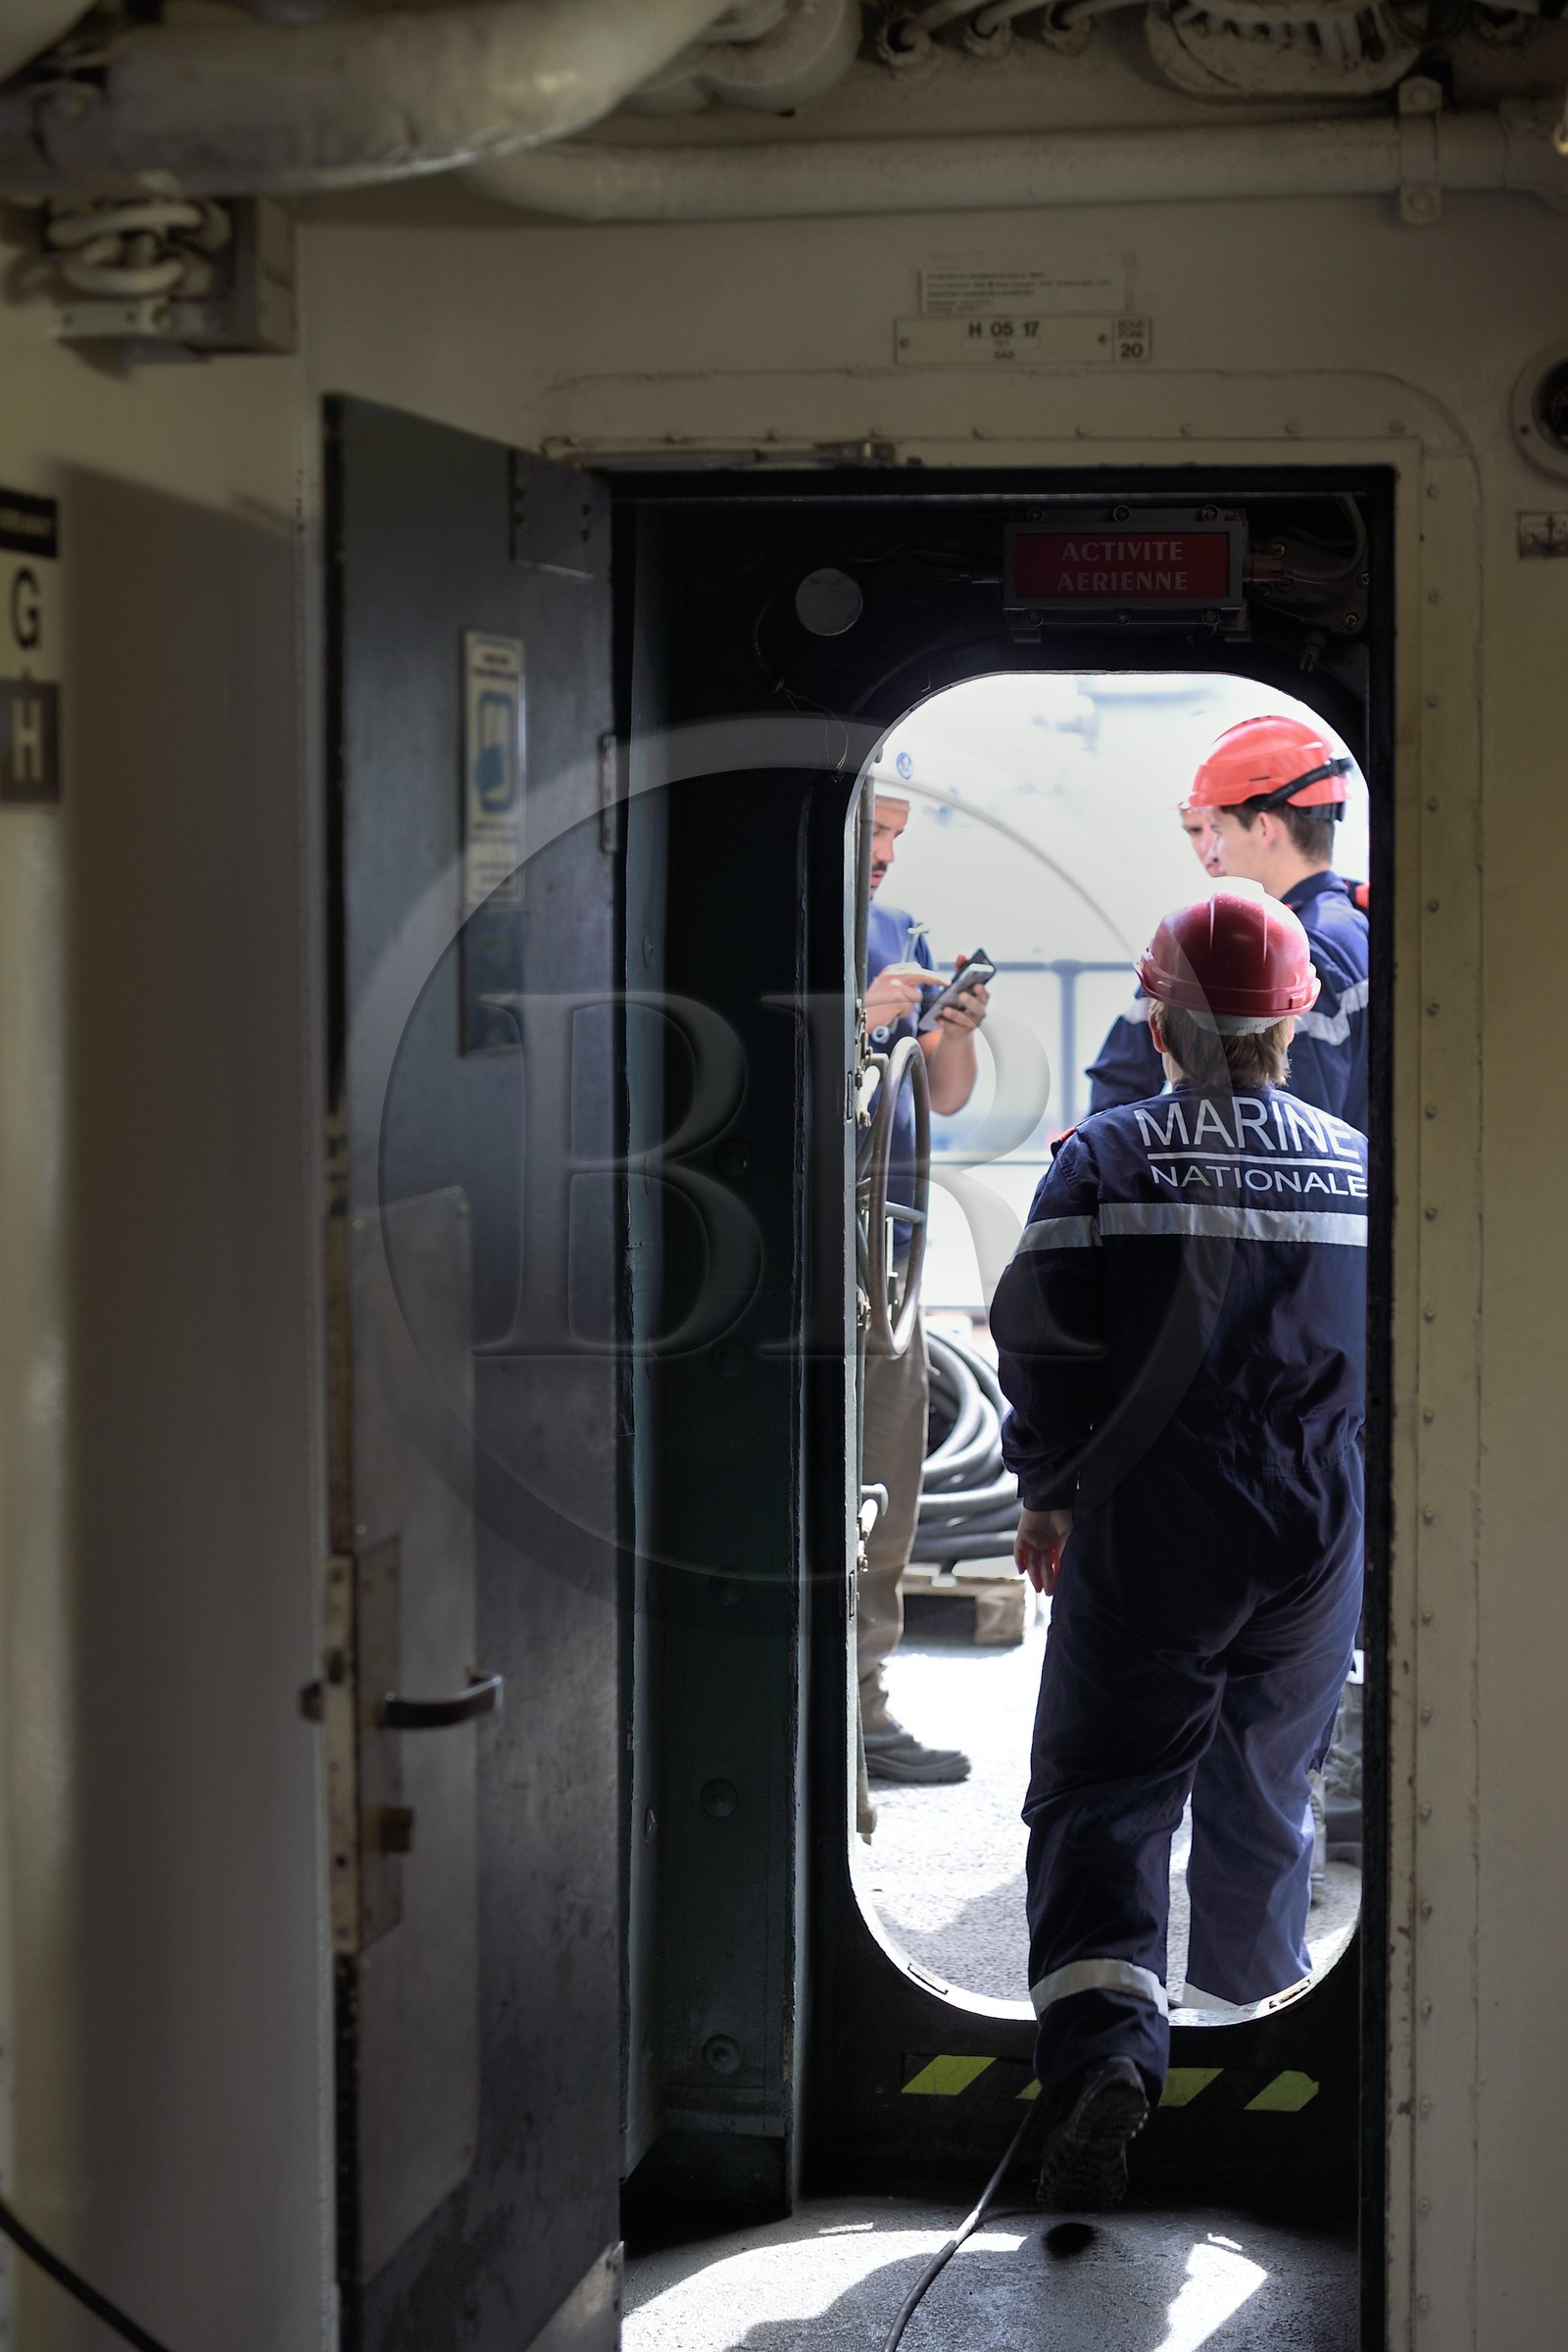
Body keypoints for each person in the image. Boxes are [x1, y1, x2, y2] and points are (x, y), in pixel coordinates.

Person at [991, 889, 1366, 2208]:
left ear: (1157, 1017)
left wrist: (1046, 1488)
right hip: (1317, 1533)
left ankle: (1103, 2065)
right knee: (1269, 1790)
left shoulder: (1104, 1157)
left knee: (1107, 1795)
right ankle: (1260, 2071)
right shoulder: (1363, 1168)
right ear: (1297, 1019)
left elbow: (1035, 1334)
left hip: (1156, 1525)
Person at [859, 788, 990, 1788]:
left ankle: (861, 1704)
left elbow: (940, 1094)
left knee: (883, 1486)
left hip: (886, 1245)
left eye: (899, 836)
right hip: (802, 1240)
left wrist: (952, 1033)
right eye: (874, 830)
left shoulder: (896, 930)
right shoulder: (768, 913)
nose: (887, 855)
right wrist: (854, 1021)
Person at [1086, 715, 1369, 1129]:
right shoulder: (1362, 927)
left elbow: (1280, 1148)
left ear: (1264, 826)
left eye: (1216, 828)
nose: (1211, 850)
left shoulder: (1282, 951)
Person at [1084, 799, 1222, 1110]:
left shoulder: (1327, 936)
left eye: (1217, 827)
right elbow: (1118, 1083)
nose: (1206, 847)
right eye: (1194, 831)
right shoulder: (1187, 944)